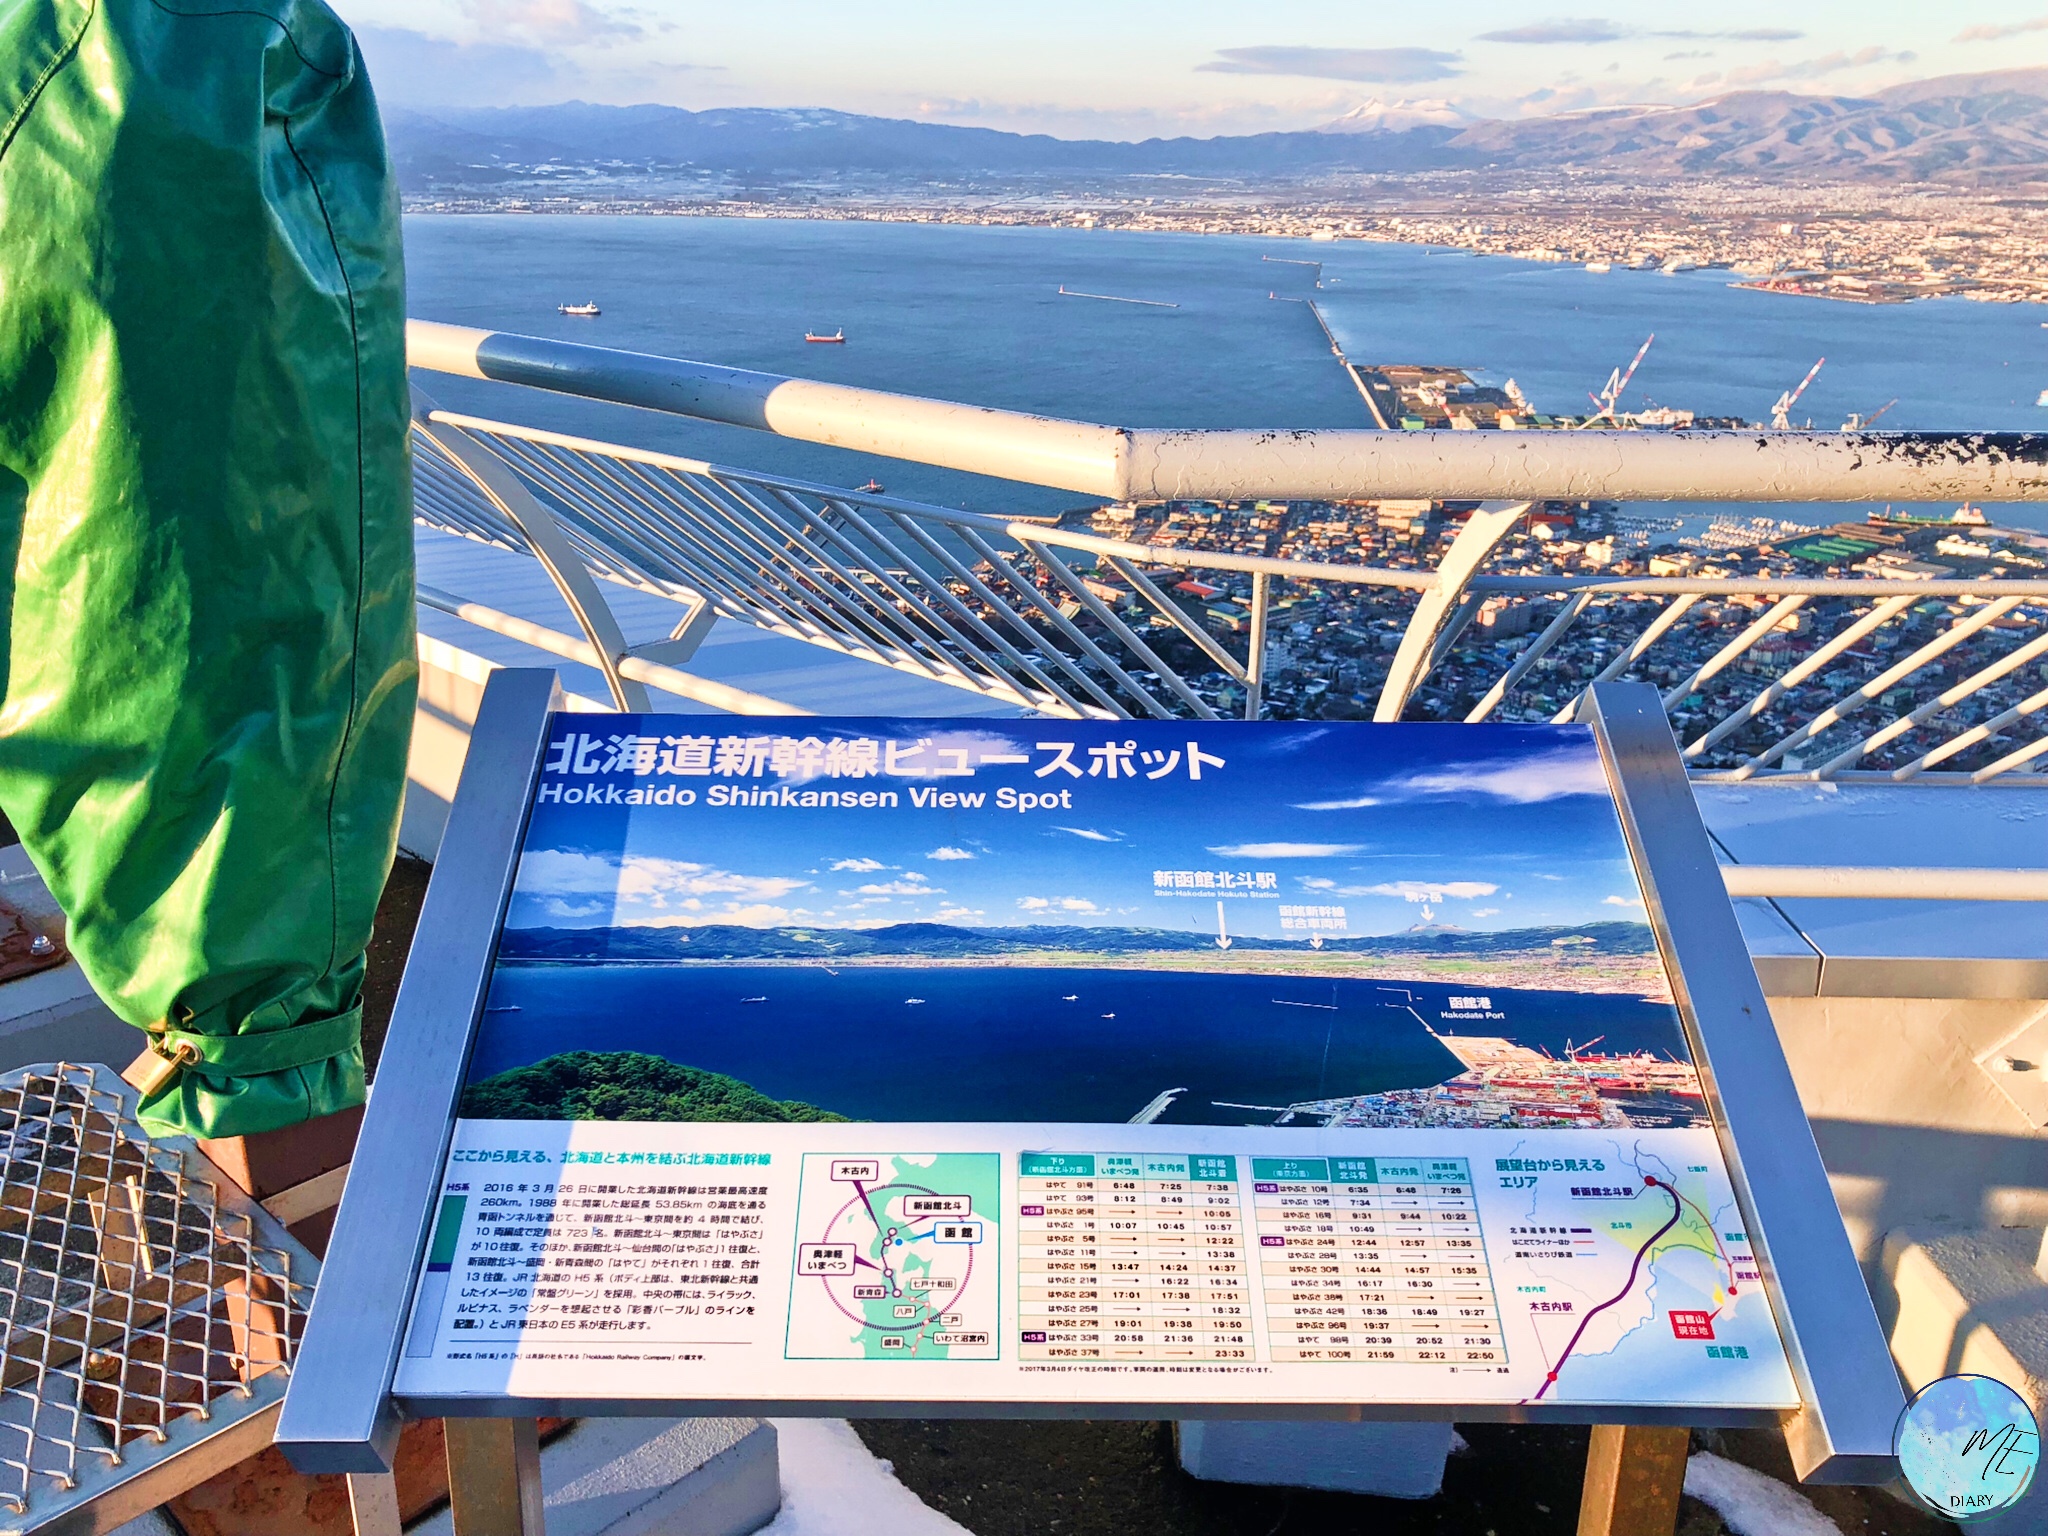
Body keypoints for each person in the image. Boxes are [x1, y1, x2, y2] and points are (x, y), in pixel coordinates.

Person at [0, 0, 415, 1138]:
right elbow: (193, 602)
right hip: (124, 89)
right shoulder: (153, 44)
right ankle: (267, 1113)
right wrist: (260, 1027)